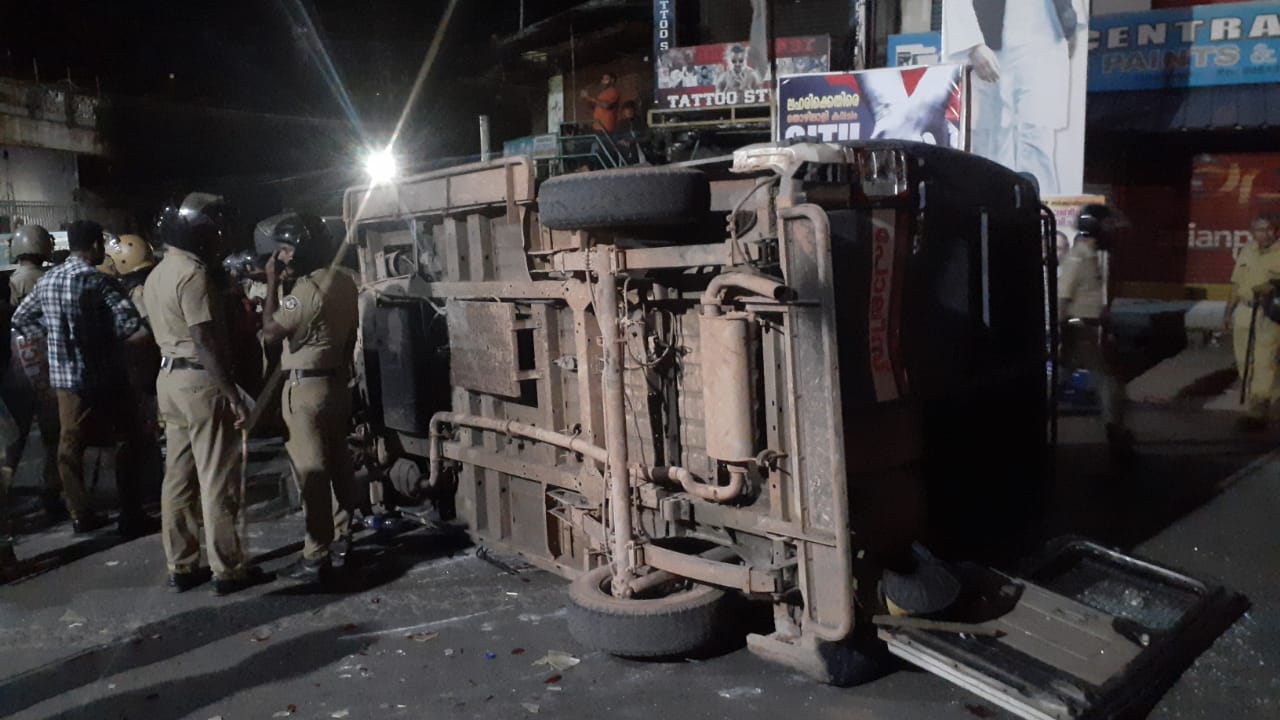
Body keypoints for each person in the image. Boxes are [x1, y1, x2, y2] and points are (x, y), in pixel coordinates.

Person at [145, 192, 268, 595]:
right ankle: (228, 568)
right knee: (217, 478)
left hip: (169, 380)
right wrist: (230, 390)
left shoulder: (158, 273)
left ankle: (181, 563)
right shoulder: (193, 275)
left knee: (177, 478)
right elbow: (204, 338)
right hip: (201, 381)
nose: (219, 238)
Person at [10, 220, 157, 535]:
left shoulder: (48, 281)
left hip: (66, 381)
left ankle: (80, 513)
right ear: (94, 246)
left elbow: (20, 319)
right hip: (104, 377)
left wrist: (53, 339)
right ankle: (130, 513)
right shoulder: (98, 282)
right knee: (127, 440)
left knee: (69, 446)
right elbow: (132, 328)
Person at [259, 213, 359, 582]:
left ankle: (316, 555)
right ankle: (345, 538)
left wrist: (271, 283)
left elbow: (270, 332)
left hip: (305, 390)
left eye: (286, 249)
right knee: (340, 466)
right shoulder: (345, 283)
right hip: (336, 383)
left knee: (312, 473)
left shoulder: (304, 292)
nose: (283, 256)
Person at [944, 0, 1082, 196]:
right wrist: (972, 44)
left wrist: (1070, 24)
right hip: (990, 35)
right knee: (990, 135)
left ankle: (1039, 210)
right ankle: (994, 210)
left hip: (1044, 33)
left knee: (1039, 132)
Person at [1058, 204, 1133, 461]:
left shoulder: (1090, 257)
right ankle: (1116, 435)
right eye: (1106, 227)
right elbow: (1063, 298)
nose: (1110, 233)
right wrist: (1063, 329)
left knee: (1061, 378)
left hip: (1085, 328)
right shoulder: (1078, 258)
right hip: (1079, 328)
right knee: (1108, 383)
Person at [1, 224, 62, 516]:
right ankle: (51, 489)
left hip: (17, 366)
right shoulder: (50, 279)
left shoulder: (12, 281)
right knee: (53, 434)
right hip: (46, 363)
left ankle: (5, 487)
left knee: (16, 437)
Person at [1224, 214, 1280, 432]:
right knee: (1243, 360)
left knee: (1264, 359)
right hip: (1244, 312)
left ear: (1276, 231)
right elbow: (1236, 284)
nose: (1264, 234)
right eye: (1259, 230)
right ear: (1252, 232)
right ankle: (1253, 397)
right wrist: (1228, 312)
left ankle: (1259, 409)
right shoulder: (1247, 250)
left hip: (1269, 313)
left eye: (1269, 229)